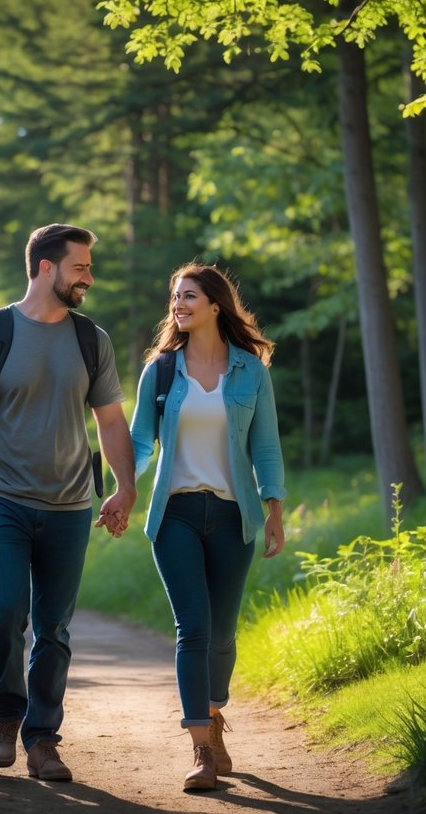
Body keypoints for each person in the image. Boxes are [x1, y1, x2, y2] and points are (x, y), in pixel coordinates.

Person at [0, 223, 135, 783]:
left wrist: (125, 485)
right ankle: (4, 720)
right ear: (47, 268)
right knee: (3, 612)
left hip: (70, 503)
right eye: (81, 267)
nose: (89, 277)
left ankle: (43, 739)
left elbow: (111, 421)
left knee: (54, 626)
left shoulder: (92, 340)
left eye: (89, 268)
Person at [128, 262, 286, 792]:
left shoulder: (249, 371)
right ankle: (199, 747)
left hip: (231, 514)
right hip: (174, 514)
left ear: (216, 305)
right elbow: (139, 443)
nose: (179, 304)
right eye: (175, 296)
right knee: (192, 629)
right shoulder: (162, 370)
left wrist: (274, 511)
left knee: (221, 635)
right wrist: (121, 488)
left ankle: (215, 713)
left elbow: (264, 446)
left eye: (190, 296)